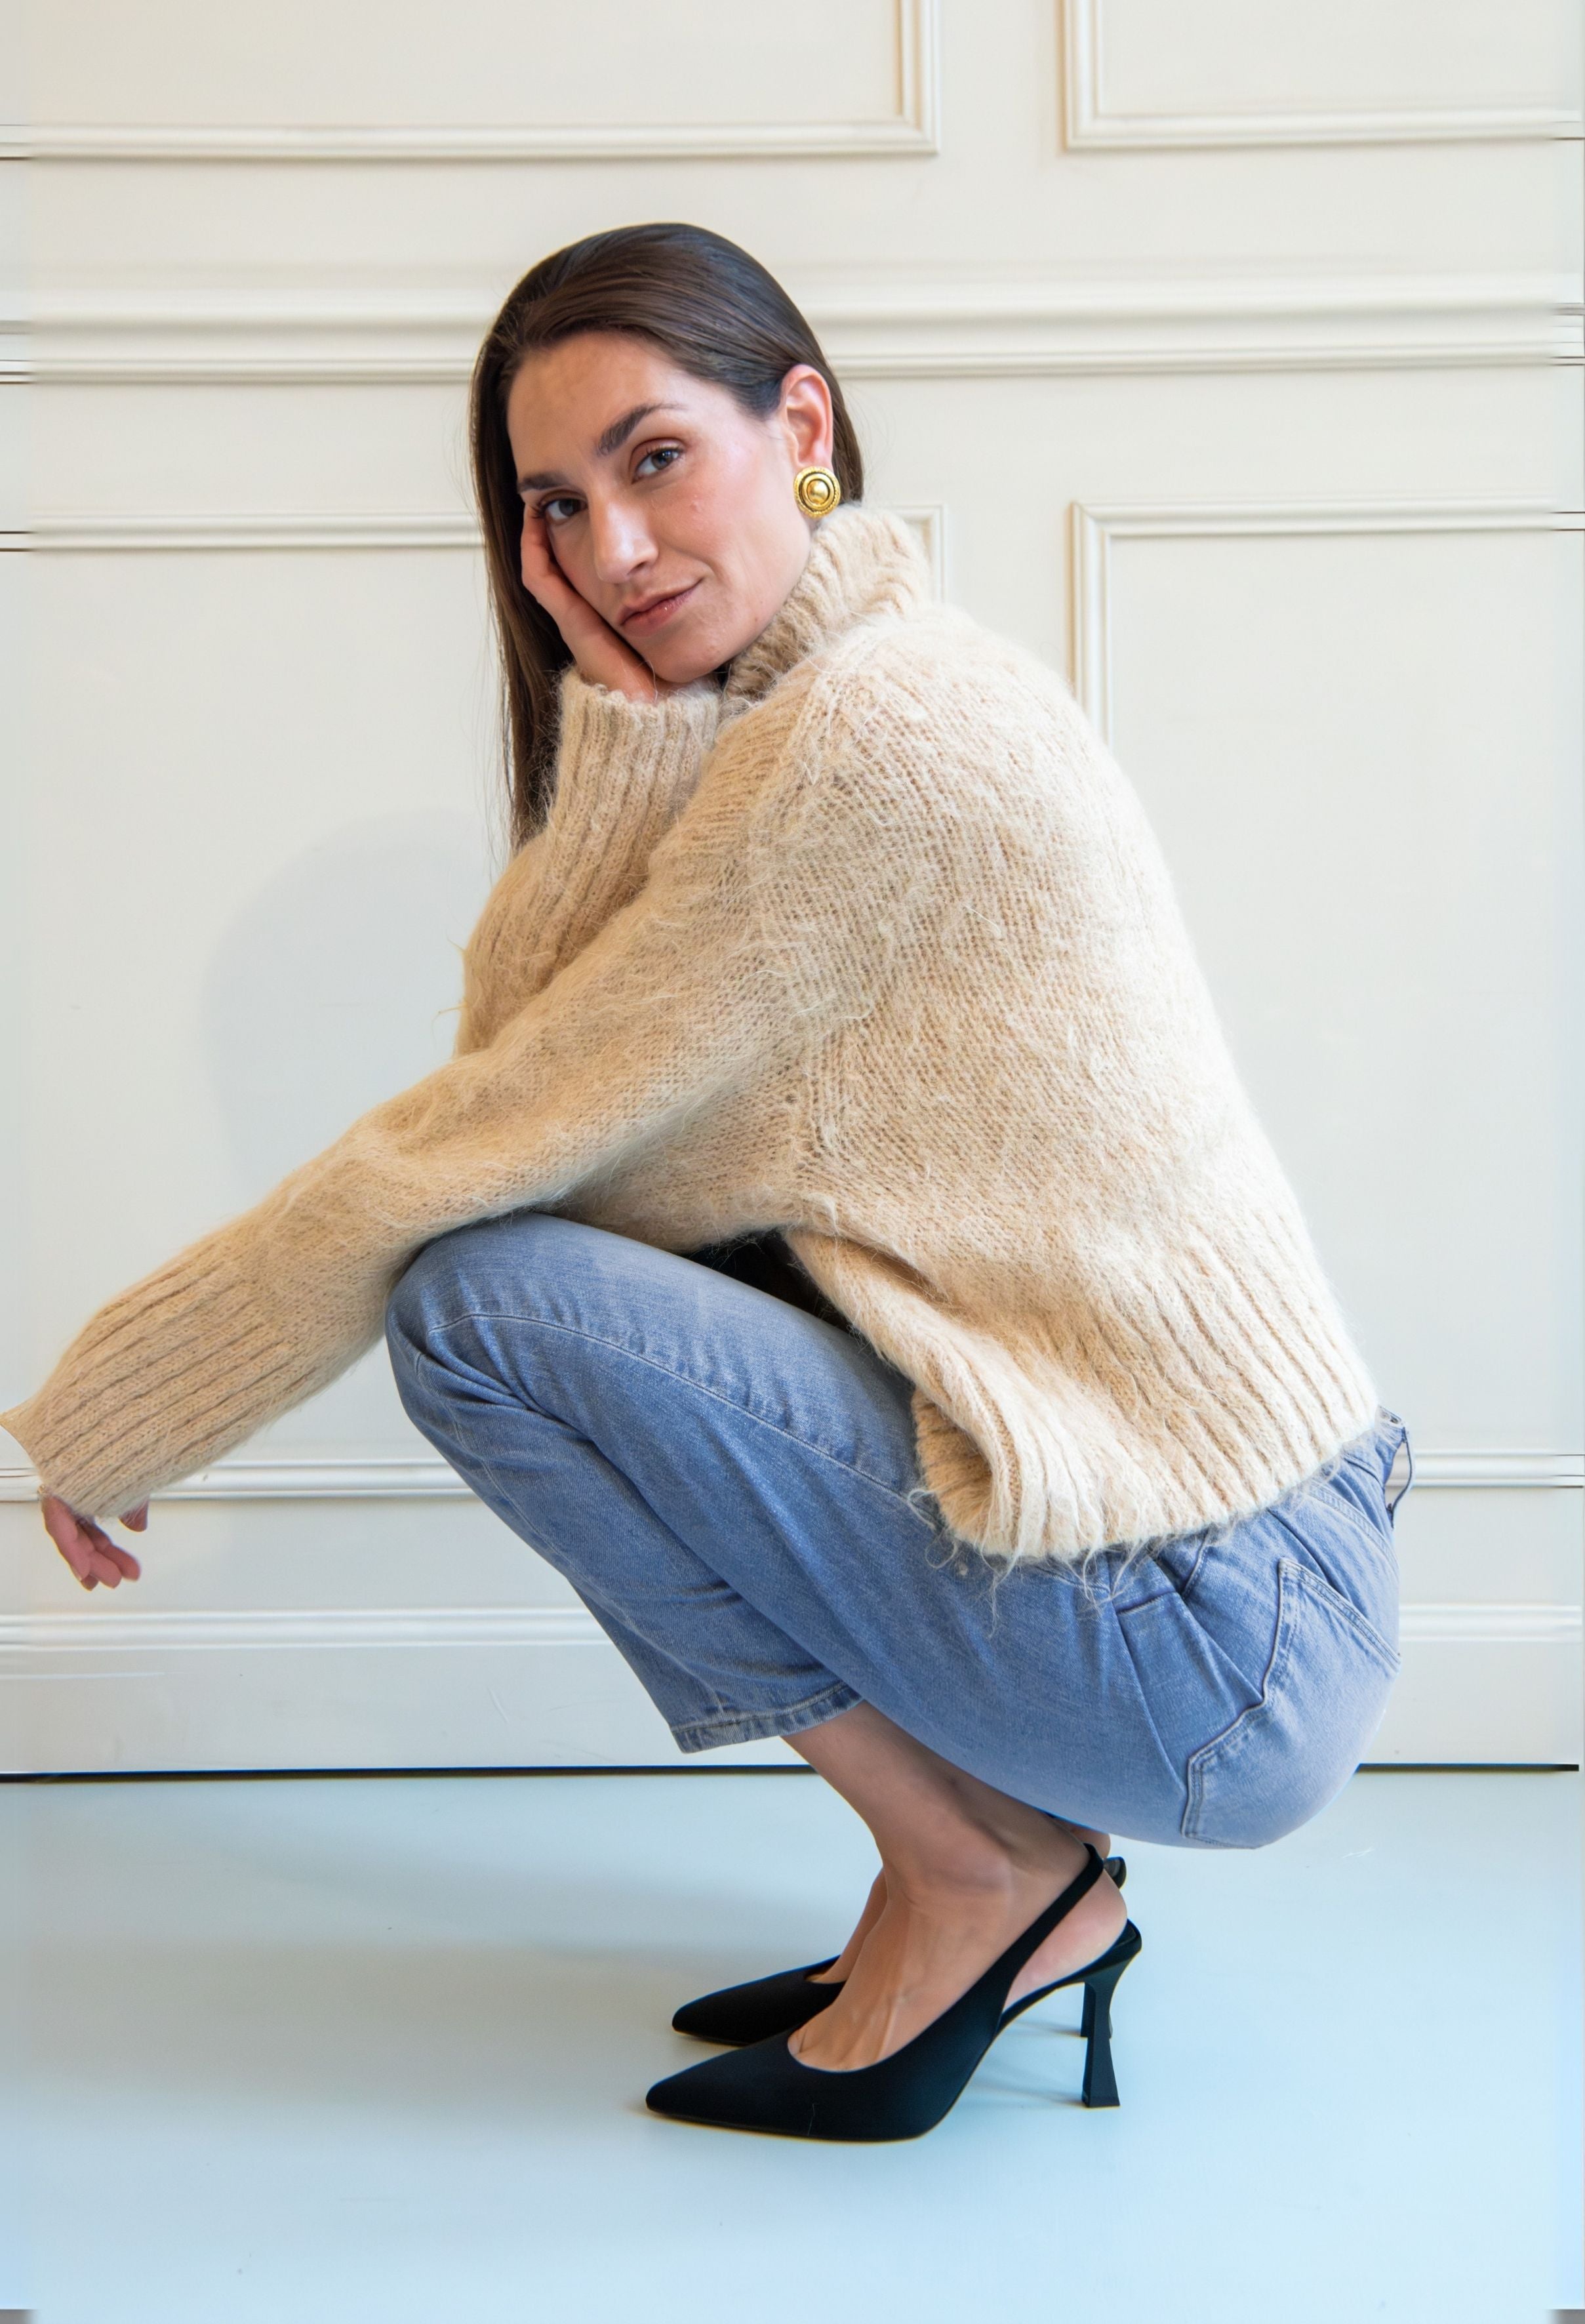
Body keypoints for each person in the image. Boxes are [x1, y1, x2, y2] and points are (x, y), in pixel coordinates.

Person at [3, 222, 1410, 2144]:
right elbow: (532, 1081)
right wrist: (631, 744)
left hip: (1202, 1632)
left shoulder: (862, 748)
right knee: (534, 1268)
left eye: (656, 459)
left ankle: (982, 1878)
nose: (612, 552)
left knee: (478, 1309)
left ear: (800, 428)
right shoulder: (868, 697)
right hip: (1242, 1585)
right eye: (555, 505)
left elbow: (486, 1144)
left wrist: (118, 1404)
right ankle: (979, 1869)